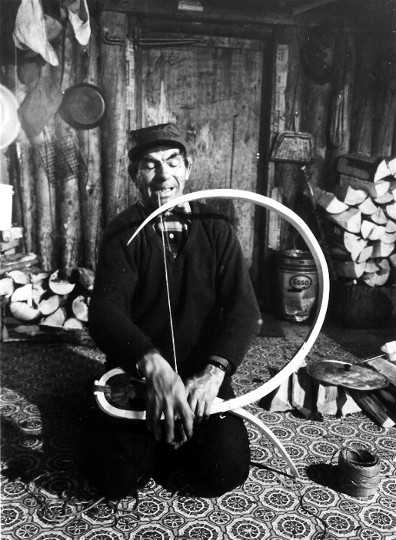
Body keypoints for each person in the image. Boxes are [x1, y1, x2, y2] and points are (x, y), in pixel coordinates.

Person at [87, 123, 261, 499]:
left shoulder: (216, 227)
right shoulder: (123, 231)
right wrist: (151, 364)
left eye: (172, 162)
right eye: (149, 166)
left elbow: (243, 309)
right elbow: (104, 310)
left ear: (188, 167)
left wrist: (215, 371)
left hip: (200, 373)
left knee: (225, 472)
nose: (163, 176)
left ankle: (173, 436)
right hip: (138, 373)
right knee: (115, 477)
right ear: (135, 176)